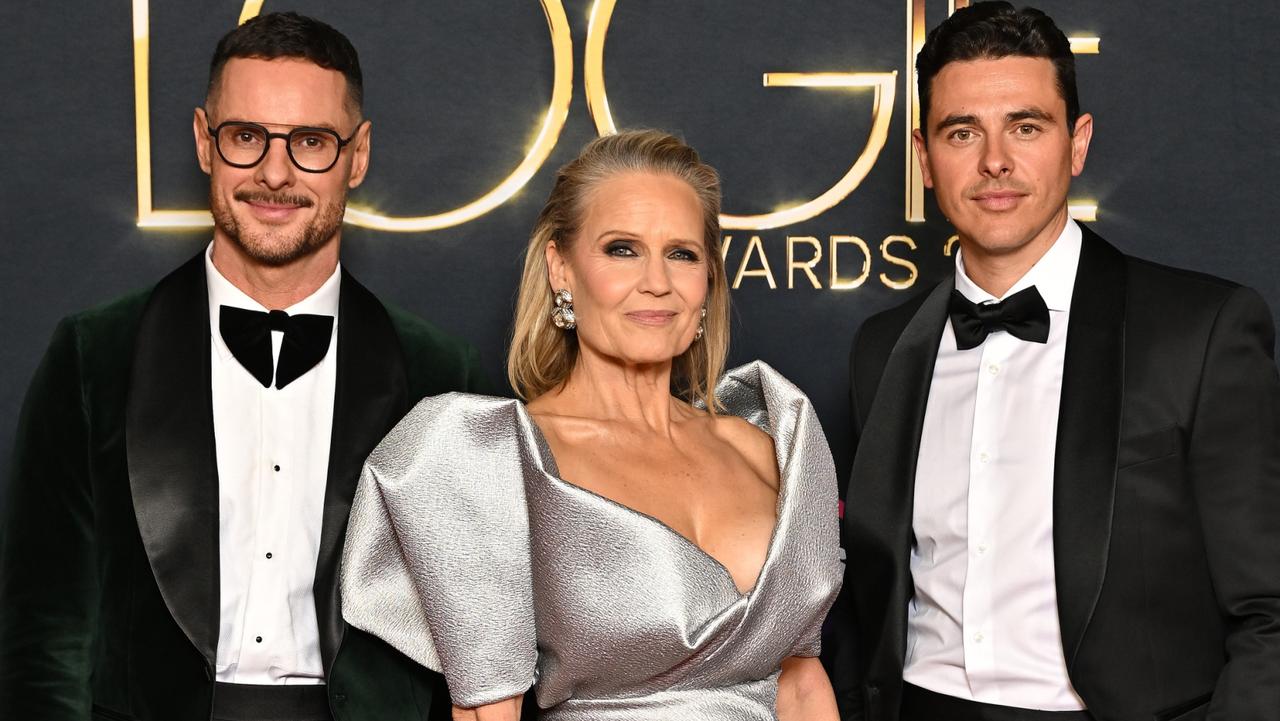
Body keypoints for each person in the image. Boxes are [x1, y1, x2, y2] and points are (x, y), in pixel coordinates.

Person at [0, 12, 488, 721]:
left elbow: (469, 642)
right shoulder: (92, 354)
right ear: (205, 140)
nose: (275, 172)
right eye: (246, 136)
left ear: (358, 155)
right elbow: (46, 635)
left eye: (312, 142)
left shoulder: (440, 373)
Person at [828, 3, 1280, 721]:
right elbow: (864, 596)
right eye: (962, 131)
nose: (995, 161)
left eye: (1026, 126)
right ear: (923, 157)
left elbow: (1269, 613)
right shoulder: (884, 347)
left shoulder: (1199, 331)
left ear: (1077, 143)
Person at [339, 129, 844, 721]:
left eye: (682, 253)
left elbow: (801, 685)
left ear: (708, 279)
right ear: (561, 268)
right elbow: (485, 713)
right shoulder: (497, 458)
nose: (657, 280)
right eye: (622, 249)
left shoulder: (768, 448)